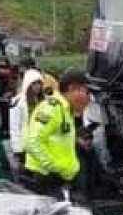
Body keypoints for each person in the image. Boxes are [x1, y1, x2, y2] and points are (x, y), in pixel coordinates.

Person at [24, 68, 91, 197]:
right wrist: (55, 168)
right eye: (86, 91)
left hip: (62, 176)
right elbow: (32, 142)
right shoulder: (51, 109)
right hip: (49, 178)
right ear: (72, 88)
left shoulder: (65, 108)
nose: (88, 97)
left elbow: (59, 138)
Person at [8, 68, 45, 173]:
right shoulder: (18, 102)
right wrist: (17, 149)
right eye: (34, 83)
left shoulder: (44, 100)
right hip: (26, 145)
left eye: (39, 83)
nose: (37, 86)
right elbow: (14, 126)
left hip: (42, 143)